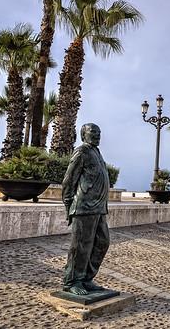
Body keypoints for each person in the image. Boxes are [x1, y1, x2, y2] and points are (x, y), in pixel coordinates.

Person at [61, 123, 110, 295]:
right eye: (93, 132)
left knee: (102, 242)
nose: (97, 135)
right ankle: (72, 281)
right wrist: (68, 205)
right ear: (84, 135)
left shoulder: (96, 152)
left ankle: (86, 278)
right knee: (81, 246)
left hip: (98, 207)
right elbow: (69, 180)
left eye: (99, 132)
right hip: (83, 206)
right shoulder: (81, 151)